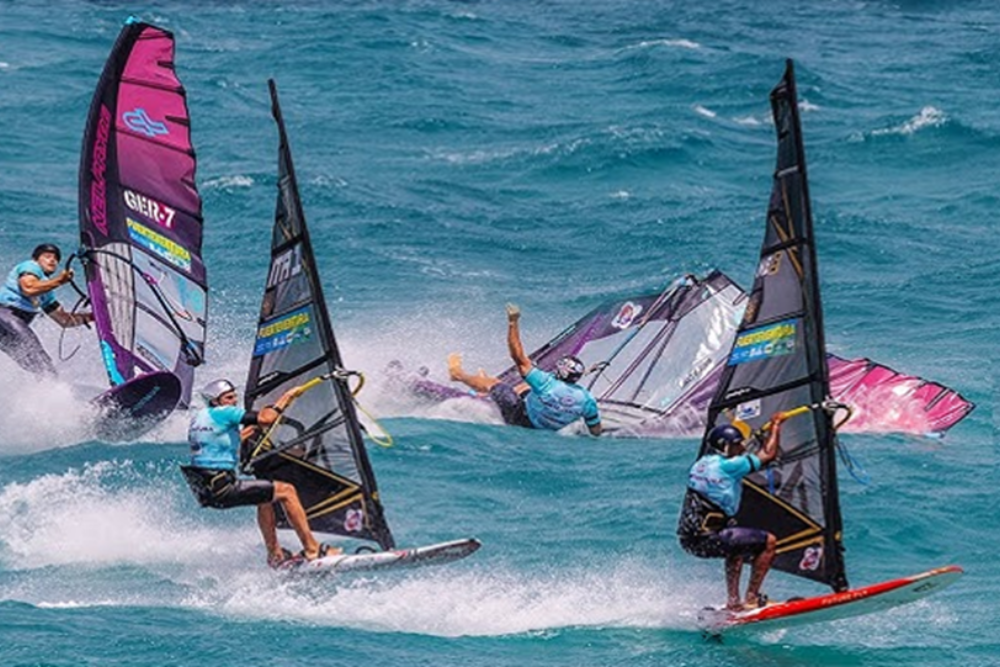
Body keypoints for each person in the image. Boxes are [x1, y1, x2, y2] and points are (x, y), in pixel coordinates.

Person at [181, 379, 341, 567]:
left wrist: (255, 429)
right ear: (215, 401)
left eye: (234, 397)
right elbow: (267, 418)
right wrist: (286, 397)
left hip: (207, 489)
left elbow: (226, 441)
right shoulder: (225, 412)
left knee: (264, 497)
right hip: (222, 486)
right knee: (287, 491)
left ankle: (274, 555)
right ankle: (312, 549)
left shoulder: (200, 419)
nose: (234, 401)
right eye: (228, 397)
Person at [676, 415, 786, 611]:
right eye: (737, 444)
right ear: (724, 446)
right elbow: (768, 454)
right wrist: (776, 425)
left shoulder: (701, 464)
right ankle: (751, 598)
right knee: (769, 542)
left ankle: (734, 602)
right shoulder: (728, 466)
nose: (741, 447)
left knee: (736, 545)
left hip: (689, 539)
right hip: (707, 538)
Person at [447, 303, 602, 436]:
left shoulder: (546, 383)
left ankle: (458, 375)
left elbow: (518, 356)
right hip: (544, 429)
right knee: (527, 386)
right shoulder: (587, 400)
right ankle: (488, 388)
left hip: (520, 419)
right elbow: (595, 431)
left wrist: (513, 322)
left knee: (495, 384)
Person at [0, 243, 93, 375]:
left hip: (6, 331)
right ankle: (54, 384)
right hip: (5, 314)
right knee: (37, 353)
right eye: (47, 256)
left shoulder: (47, 292)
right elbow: (28, 288)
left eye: (56, 259)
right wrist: (60, 280)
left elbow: (64, 320)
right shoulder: (30, 266)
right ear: (36, 259)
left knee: (38, 366)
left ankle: (48, 387)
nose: (52, 260)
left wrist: (92, 317)